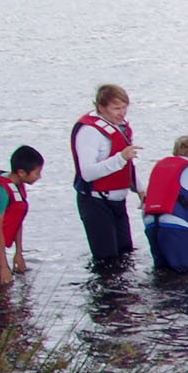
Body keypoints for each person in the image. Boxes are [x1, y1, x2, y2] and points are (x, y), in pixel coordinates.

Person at [70, 83, 139, 265]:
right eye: (116, 108)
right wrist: (120, 158)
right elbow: (87, 173)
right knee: (107, 261)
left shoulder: (119, 127)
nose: (122, 113)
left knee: (126, 255)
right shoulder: (90, 132)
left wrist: (140, 189)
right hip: (96, 202)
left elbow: (128, 164)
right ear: (101, 107)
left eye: (125, 107)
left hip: (118, 201)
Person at [141, 135, 188, 273]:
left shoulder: (159, 167)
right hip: (176, 228)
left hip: (151, 226)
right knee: (186, 276)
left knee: (162, 274)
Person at [0, 146, 43, 280]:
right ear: (21, 173)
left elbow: (17, 219)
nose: (39, 177)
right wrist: (3, 267)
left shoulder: (18, 186)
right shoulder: (1, 192)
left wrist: (18, 253)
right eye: (37, 173)